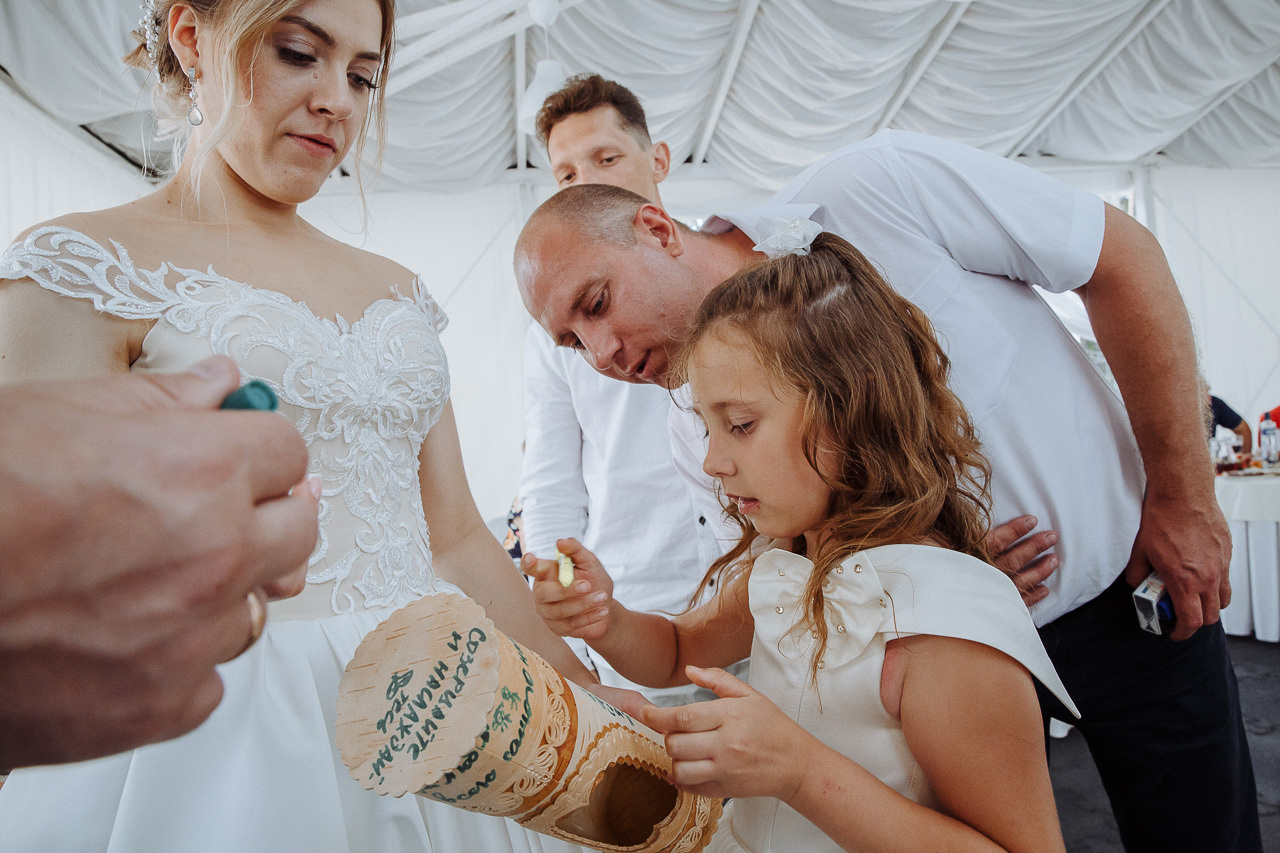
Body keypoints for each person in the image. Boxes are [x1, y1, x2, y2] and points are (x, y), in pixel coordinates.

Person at [514, 131, 1260, 848]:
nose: (602, 354)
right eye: (573, 343)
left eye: (599, 302)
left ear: (655, 224)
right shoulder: (692, 430)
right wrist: (942, 587)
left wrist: (1184, 496)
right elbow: (768, 595)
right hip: (933, 670)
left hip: (1130, 594)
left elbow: (1116, 256)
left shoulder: (877, 185)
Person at [0, 1, 613, 849]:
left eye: (363, 76)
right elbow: (43, 574)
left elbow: (459, 537)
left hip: (445, 697)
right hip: (227, 726)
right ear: (190, 36)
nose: (340, 101)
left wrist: (581, 684)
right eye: (299, 54)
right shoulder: (81, 266)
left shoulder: (396, 286)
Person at [529, 233, 1076, 851]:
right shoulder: (787, 561)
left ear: (850, 408)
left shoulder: (942, 629)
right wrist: (606, 619)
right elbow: (678, 650)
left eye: (739, 425)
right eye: (707, 428)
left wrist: (799, 772)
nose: (712, 462)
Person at [0, 358, 318, 773]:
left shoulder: (412, 293)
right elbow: (40, 462)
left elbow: (436, 546)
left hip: (381, 654)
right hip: (159, 665)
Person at [517, 74, 716, 703]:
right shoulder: (556, 335)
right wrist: (571, 633)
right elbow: (550, 485)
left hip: (767, 592)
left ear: (657, 160)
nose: (591, 181)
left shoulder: (731, 271)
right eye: (567, 175)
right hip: (641, 605)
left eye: (606, 158)